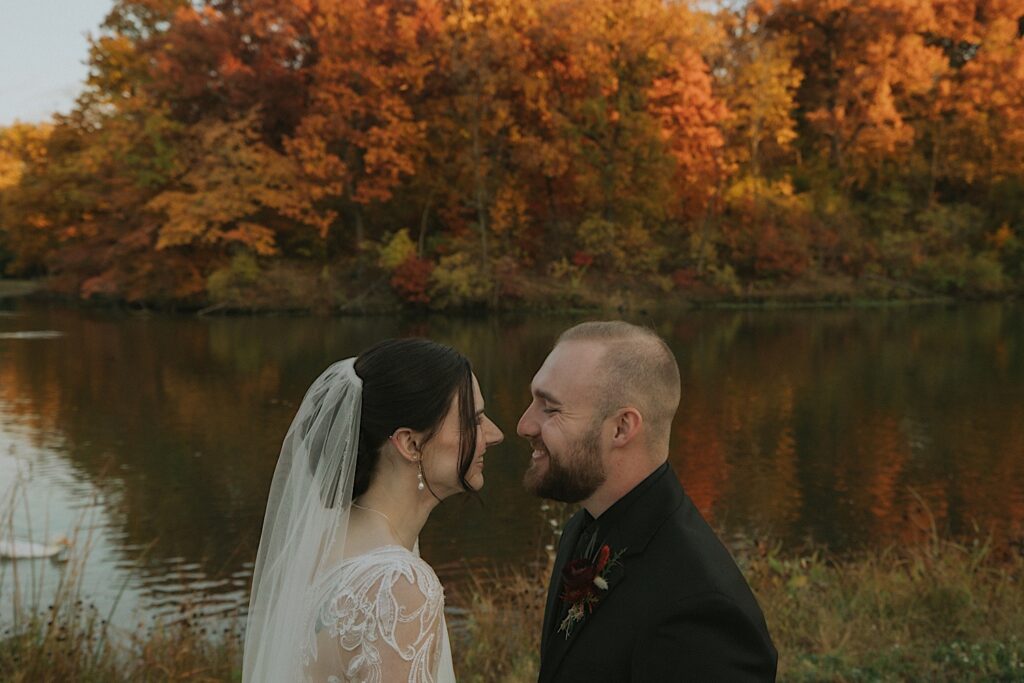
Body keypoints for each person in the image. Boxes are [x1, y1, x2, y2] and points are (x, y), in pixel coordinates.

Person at [519, 321, 777, 682]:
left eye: (550, 409)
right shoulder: (585, 527)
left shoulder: (700, 609)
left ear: (622, 428)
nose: (524, 425)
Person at [243, 338, 503, 683]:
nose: (494, 435)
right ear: (410, 444)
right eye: (474, 420)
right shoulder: (398, 586)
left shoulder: (322, 547)